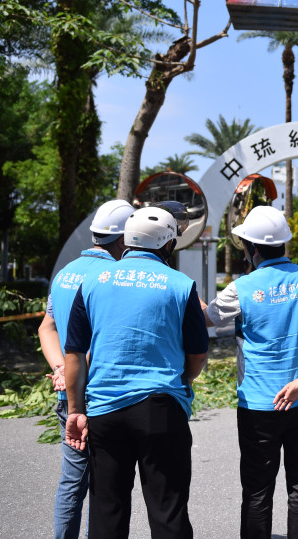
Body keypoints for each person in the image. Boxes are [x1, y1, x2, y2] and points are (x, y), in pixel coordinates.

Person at [63, 206, 208, 539]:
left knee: (106, 510)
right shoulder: (181, 285)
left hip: (104, 413)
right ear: (168, 245)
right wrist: (184, 378)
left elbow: (74, 353)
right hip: (161, 409)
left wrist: (76, 411)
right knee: (167, 509)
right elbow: (197, 354)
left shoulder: (92, 281)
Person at [205, 205, 298, 539]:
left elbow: (206, 318)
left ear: (252, 249)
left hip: (259, 405)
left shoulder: (243, 287)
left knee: (257, 490)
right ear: (284, 244)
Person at [38, 198, 135, 539]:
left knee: (72, 479)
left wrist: (61, 369)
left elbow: (46, 327)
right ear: (124, 240)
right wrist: (73, 370)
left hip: (68, 391)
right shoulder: (112, 277)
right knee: (102, 482)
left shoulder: (66, 272)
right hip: (98, 394)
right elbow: (104, 340)